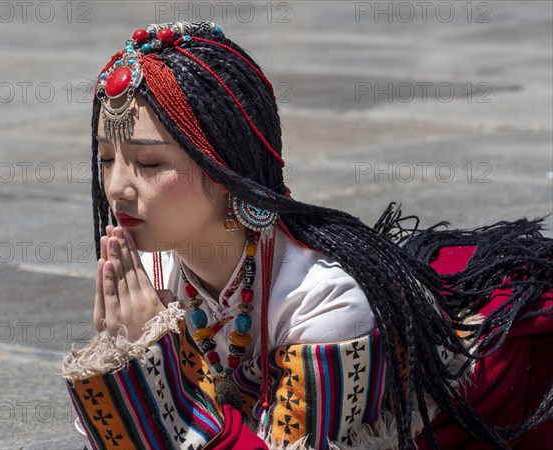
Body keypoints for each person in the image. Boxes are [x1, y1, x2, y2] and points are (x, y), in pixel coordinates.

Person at [61, 21, 552, 449]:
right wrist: (129, 359)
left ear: (226, 169)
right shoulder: (150, 270)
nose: (117, 187)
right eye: (106, 158)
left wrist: (153, 367)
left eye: (149, 163)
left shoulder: (325, 300)